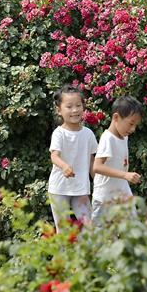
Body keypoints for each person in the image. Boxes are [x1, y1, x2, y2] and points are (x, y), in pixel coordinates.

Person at [48, 85, 98, 229]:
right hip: (59, 188)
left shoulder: (88, 134)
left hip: (80, 188)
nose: (75, 110)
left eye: (78, 105)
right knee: (63, 230)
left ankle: (89, 252)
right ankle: (62, 253)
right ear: (59, 110)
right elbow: (54, 156)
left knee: (90, 226)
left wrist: (100, 183)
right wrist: (64, 166)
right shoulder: (59, 133)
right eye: (69, 106)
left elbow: (91, 162)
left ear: (83, 107)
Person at [91, 96, 143, 222]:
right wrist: (125, 175)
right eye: (131, 123)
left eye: (135, 125)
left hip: (122, 194)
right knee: (101, 238)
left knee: (133, 231)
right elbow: (97, 167)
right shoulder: (107, 138)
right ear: (116, 118)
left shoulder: (124, 137)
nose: (133, 129)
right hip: (104, 199)